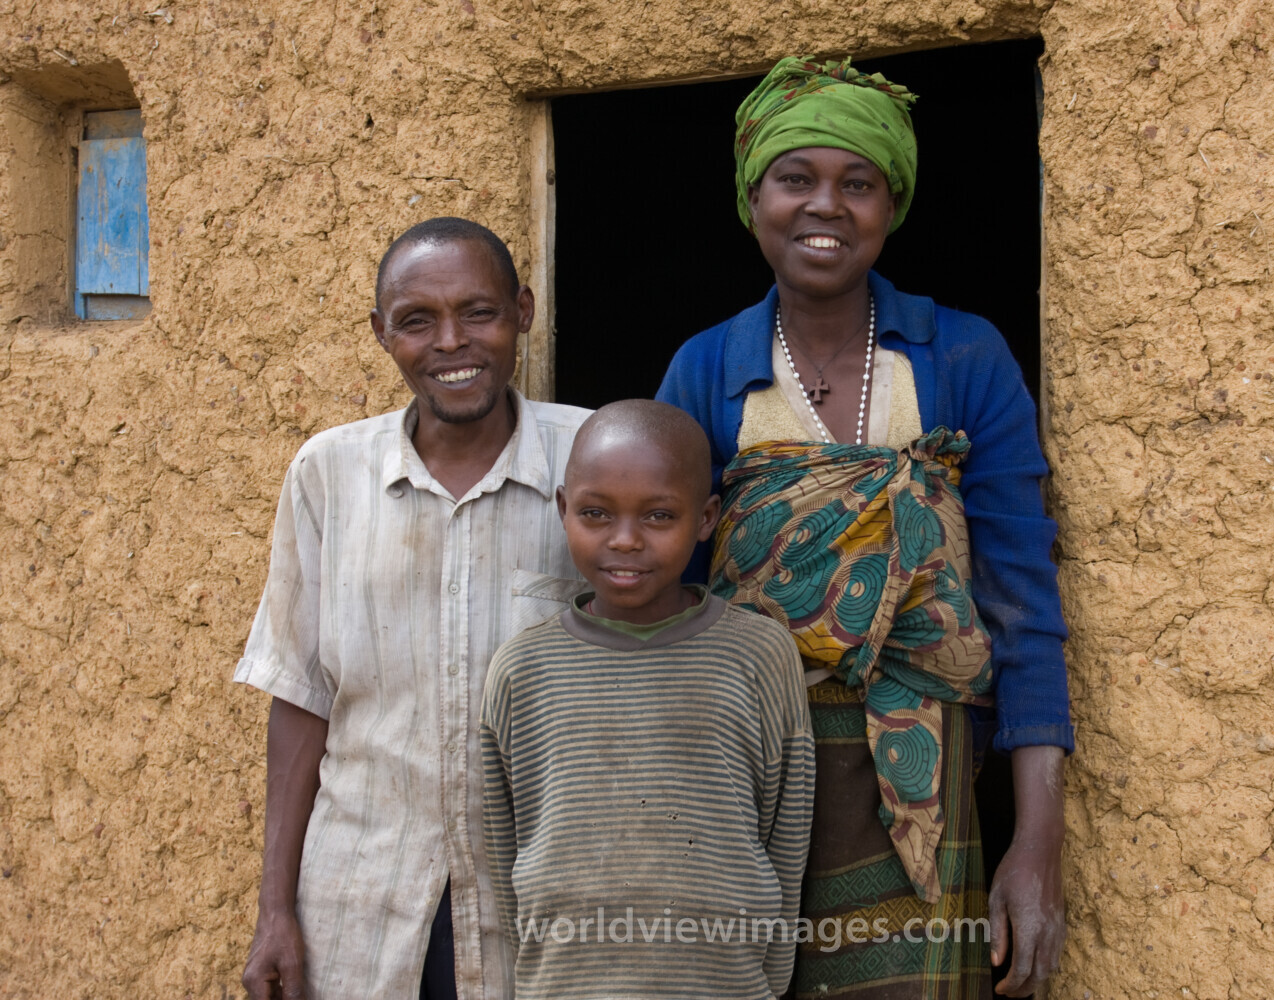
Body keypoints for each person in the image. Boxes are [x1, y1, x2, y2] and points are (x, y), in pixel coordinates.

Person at [656, 58, 1073, 999]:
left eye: (859, 183)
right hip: (746, 776)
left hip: (924, 777)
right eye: (795, 178)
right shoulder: (705, 368)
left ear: (894, 202)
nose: (826, 206)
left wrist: (1037, 841)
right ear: (750, 195)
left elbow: (1021, 599)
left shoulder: (961, 356)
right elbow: (660, 597)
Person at [236, 217, 590, 1000]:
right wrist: (274, 913)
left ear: (524, 312)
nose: (452, 343)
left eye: (480, 312)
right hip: (362, 904)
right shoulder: (328, 472)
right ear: (380, 333)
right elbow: (300, 697)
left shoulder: (592, 459)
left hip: (544, 909)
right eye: (417, 321)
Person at [479, 399, 815, 1000]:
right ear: (563, 510)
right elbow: (509, 850)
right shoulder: (522, 670)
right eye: (596, 513)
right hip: (566, 985)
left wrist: (767, 976)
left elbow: (784, 833)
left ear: (707, 517)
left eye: (659, 516)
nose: (625, 540)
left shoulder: (759, 655)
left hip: (724, 985)